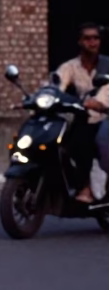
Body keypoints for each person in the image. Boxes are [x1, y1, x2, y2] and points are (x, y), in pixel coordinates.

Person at [52, 22, 109, 201]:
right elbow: (57, 83)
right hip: (85, 116)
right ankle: (73, 183)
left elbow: (106, 92)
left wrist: (98, 103)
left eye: (95, 38)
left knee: (95, 140)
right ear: (79, 41)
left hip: (106, 115)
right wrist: (44, 97)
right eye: (87, 38)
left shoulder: (107, 66)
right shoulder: (71, 66)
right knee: (69, 140)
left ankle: (89, 188)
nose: (92, 42)